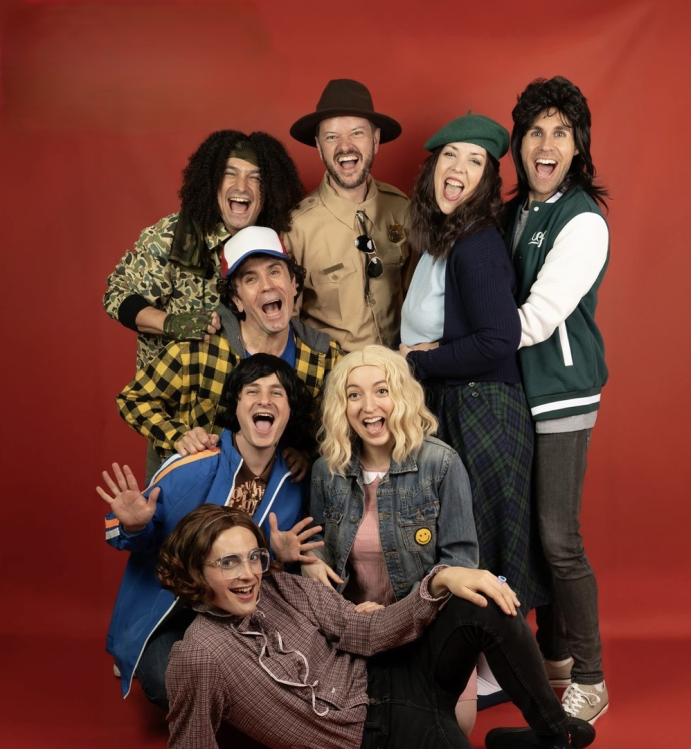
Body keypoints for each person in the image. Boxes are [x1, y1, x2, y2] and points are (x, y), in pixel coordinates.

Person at [159, 504, 595, 749]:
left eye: (254, 557)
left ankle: (553, 735)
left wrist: (441, 579)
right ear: (195, 571)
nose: (249, 574)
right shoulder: (201, 654)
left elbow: (363, 631)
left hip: (396, 673)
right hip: (376, 737)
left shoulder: (280, 586)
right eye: (228, 562)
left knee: (483, 600)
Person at [279, 345, 479, 734]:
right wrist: (310, 562)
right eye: (354, 394)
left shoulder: (441, 463)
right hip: (356, 628)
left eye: (381, 390)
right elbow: (318, 549)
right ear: (342, 406)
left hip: (426, 625)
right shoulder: (326, 471)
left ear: (401, 396)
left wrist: (398, 616)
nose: (368, 406)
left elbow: (461, 563)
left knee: (455, 729)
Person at [98, 355, 318, 708]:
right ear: (236, 405)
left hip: (240, 610)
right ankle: (143, 650)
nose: (265, 400)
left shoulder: (295, 482)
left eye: (277, 393)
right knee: (168, 684)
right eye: (253, 391)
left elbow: (279, 566)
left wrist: (282, 555)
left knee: (287, 675)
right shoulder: (193, 465)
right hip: (173, 608)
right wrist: (135, 524)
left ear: (290, 410)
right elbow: (138, 541)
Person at [400, 113, 550, 611]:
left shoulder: (478, 243)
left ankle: (501, 653)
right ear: (433, 169)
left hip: (483, 410)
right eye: (450, 155)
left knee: (488, 553)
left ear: (486, 181)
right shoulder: (442, 240)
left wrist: (421, 362)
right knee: (463, 549)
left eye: (474, 161)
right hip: (455, 404)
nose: (458, 168)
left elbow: (500, 339)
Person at [103, 130, 303, 477]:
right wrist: (169, 323)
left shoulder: (274, 242)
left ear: (267, 189)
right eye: (230, 173)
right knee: (172, 509)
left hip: (251, 427)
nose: (242, 186)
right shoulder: (174, 234)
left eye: (255, 178)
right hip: (178, 423)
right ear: (212, 182)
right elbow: (116, 295)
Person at [504, 76, 610, 724]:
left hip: (562, 391)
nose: (546, 145)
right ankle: (556, 655)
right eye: (535, 132)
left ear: (578, 146)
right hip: (520, 390)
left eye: (561, 133)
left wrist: (457, 347)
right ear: (519, 144)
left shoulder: (583, 218)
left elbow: (538, 317)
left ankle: (591, 678)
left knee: (558, 536)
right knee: (532, 535)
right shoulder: (514, 211)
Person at [115, 226, 343, 481]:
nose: (267, 285)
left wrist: (310, 455)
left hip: (278, 494)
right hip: (204, 490)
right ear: (236, 300)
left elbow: (343, 427)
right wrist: (178, 436)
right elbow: (132, 399)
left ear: (293, 284)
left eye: (274, 271)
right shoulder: (197, 349)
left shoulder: (324, 358)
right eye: (251, 279)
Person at [284, 79, 413, 351]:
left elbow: (421, 301)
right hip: (333, 370)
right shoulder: (296, 228)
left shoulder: (402, 209)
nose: (345, 147)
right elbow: (286, 326)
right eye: (332, 137)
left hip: (399, 365)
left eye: (356, 133)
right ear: (319, 146)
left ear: (375, 140)